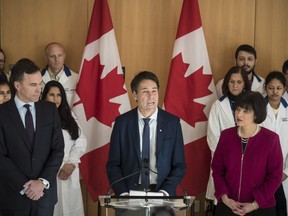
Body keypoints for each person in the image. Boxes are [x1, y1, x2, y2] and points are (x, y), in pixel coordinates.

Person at [0, 58, 64, 216]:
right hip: (13, 198)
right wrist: (27, 186)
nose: (39, 89)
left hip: (44, 197)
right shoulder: (2, 113)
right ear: (17, 85)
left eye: (40, 83)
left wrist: (41, 182)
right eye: (33, 85)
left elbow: (58, 150)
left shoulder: (50, 110)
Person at [106, 71, 186, 197]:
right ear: (135, 95)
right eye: (145, 91)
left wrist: (165, 192)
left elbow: (179, 165)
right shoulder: (122, 123)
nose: (151, 96)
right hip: (130, 194)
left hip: (162, 193)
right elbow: (113, 164)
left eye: (154, 91)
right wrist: (123, 193)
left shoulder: (172, 123)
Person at [212, 90, 283, 216]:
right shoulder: (226, 136)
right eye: (238, 109)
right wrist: (225, 198)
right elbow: (217, 169)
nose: (239, 114)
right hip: (228, 206)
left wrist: (255, 204)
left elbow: (275, 176)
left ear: (256, 114)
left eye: (246, 111)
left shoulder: (271, 139)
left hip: (261, 208)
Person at [206, 66, 251, 213]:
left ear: (245, 84)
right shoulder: (218, 105)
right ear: (226, 83)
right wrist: (231, 156)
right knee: (225, 202)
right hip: (225, 161)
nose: (235, 85)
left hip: (249, 159)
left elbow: (258, 132)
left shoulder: (253, 105)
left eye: (239, 82)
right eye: (232, 82)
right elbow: (213, 137)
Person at [41, 80, 87, 216]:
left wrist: (71, 163)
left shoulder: (69, 115)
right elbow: (41, 149)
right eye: (51, 95)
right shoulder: (40, 117)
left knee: (71, 209)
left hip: (70, 172)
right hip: (51, 174)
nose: (56, 99)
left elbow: (81, 141)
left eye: (59, 95)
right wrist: (61, 166)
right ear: (44, 97)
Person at [261, 71, 288, 216]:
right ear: (265, 88)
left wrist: (286, 171)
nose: (275, 91)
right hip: (262, 168)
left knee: (282, 207)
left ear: (284, 88)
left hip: (284, 170)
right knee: (265, 206)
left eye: (279, 88)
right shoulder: (258, 109)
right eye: (271, 88)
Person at [41, 42, 78, 107]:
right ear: (46, 58)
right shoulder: (36, 78)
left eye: (60, 55)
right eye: (52, 56)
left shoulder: (76, 79)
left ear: (64, 56)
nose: (57, 59)